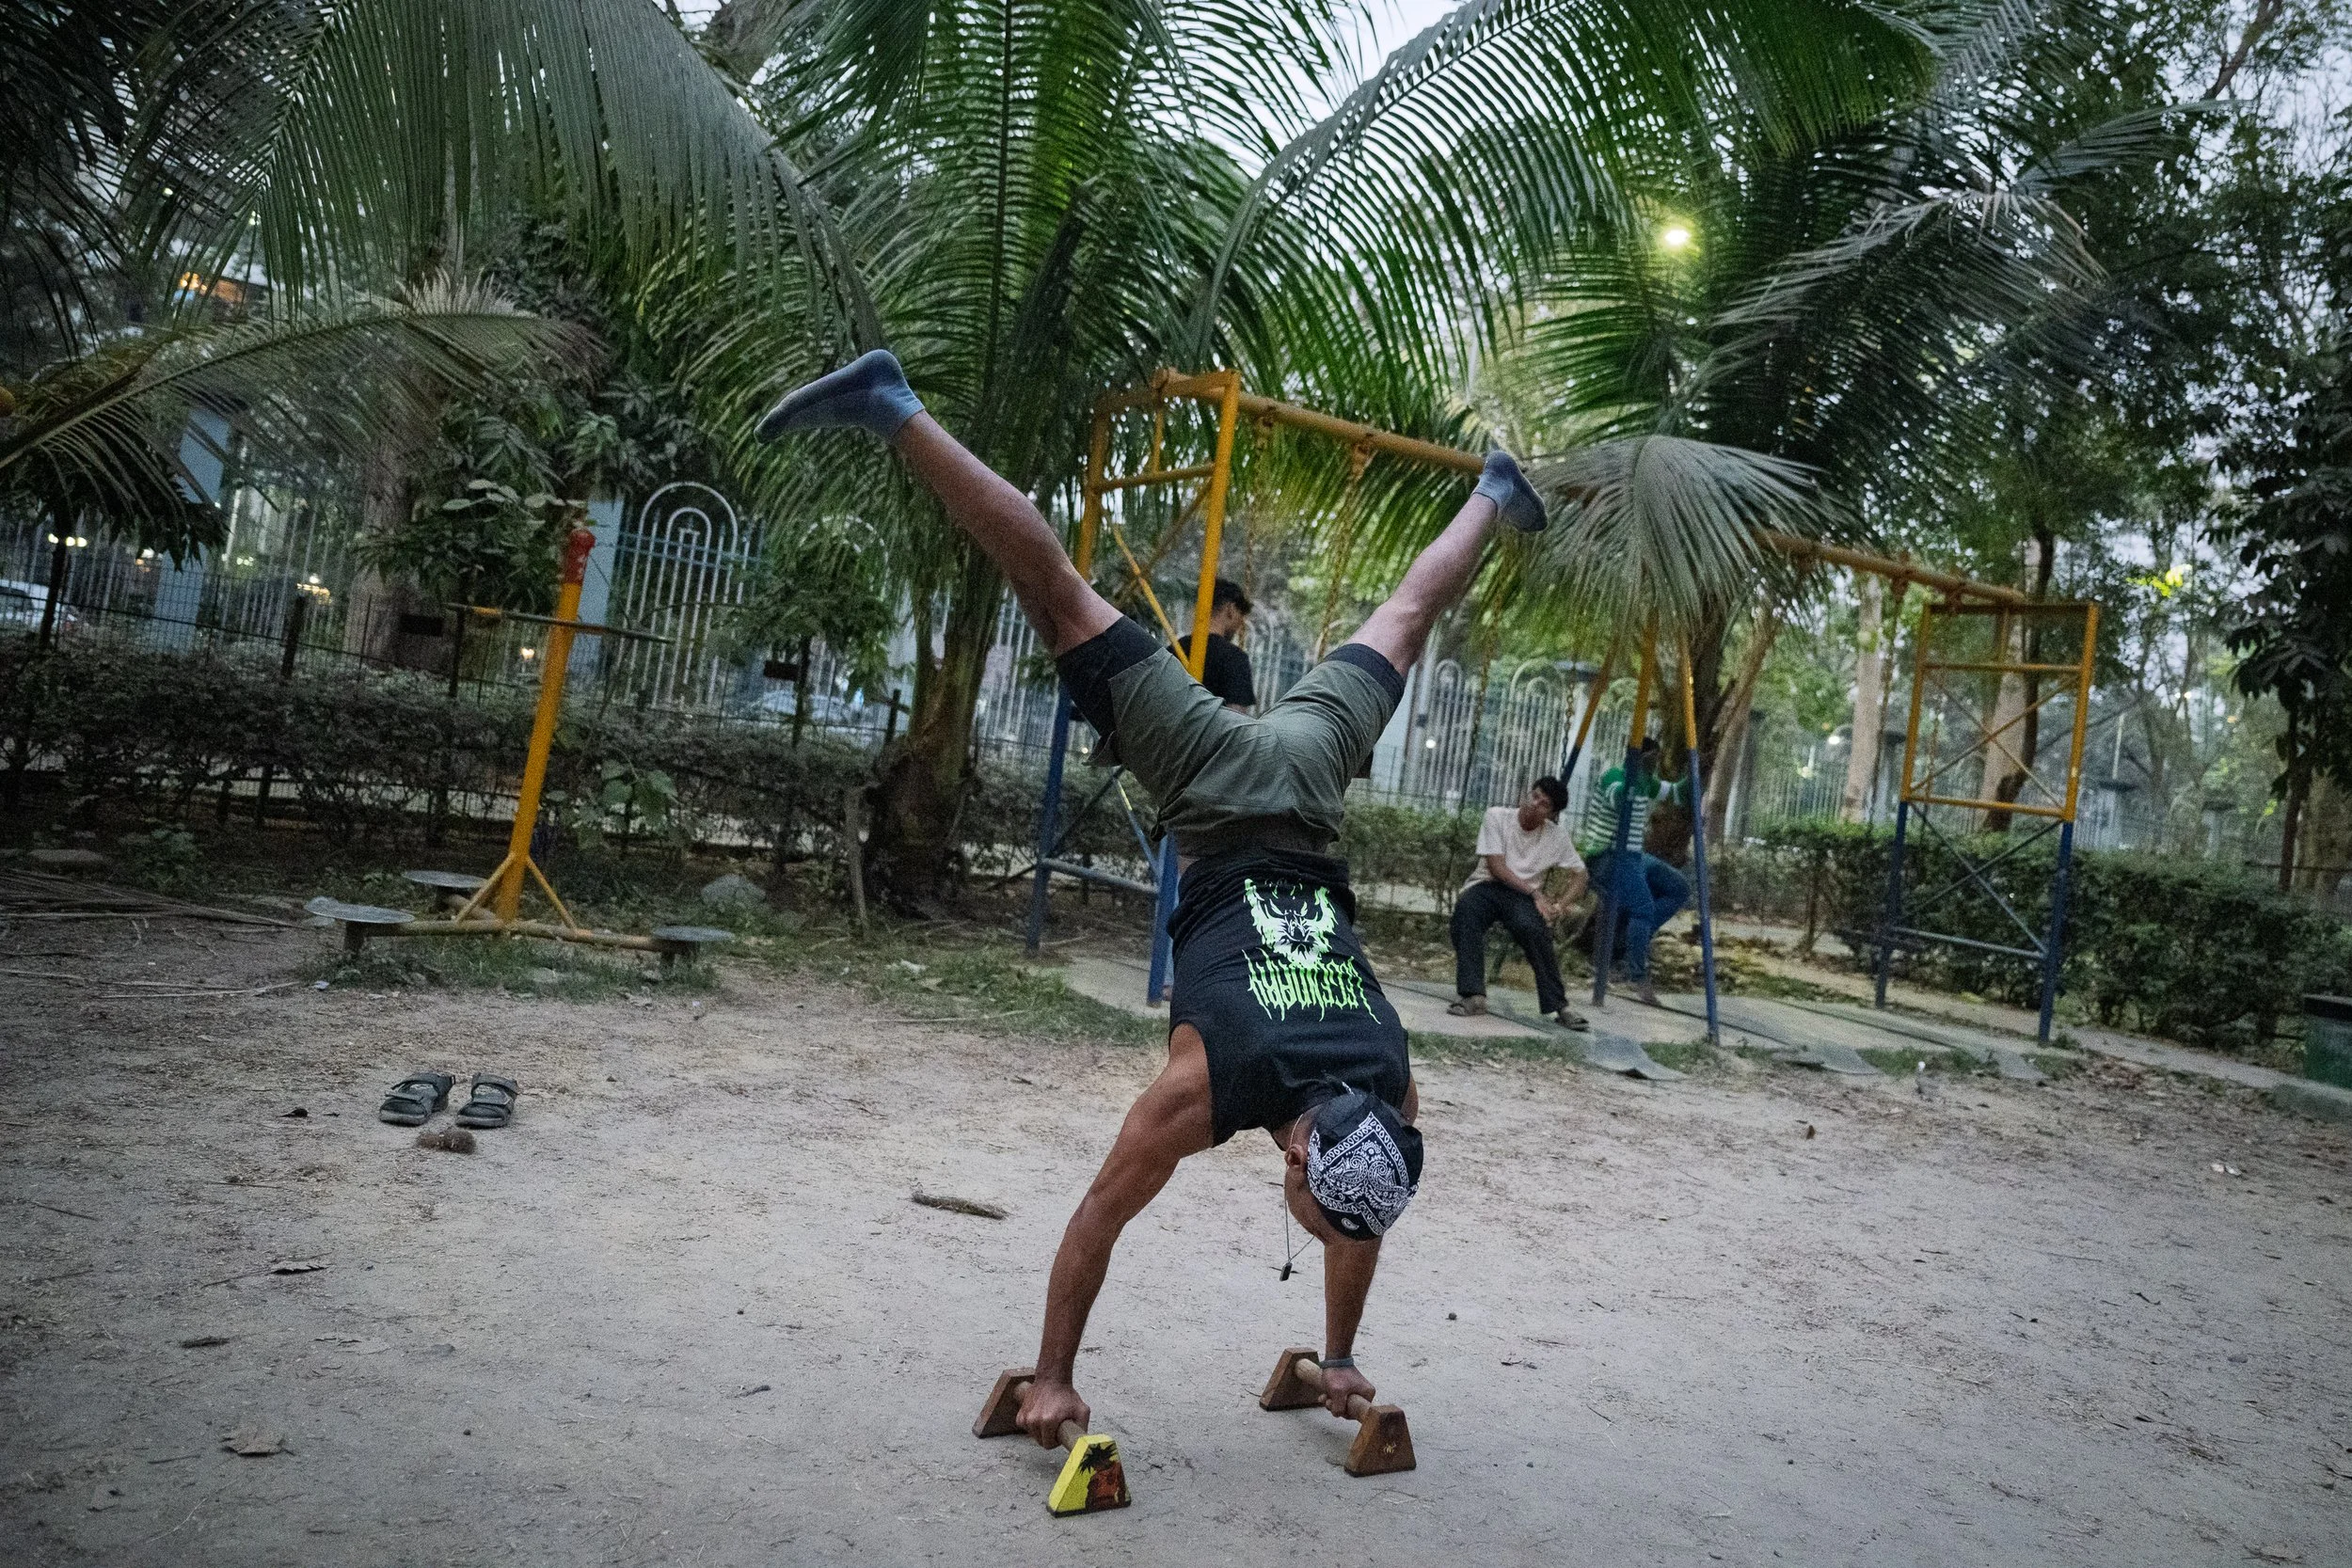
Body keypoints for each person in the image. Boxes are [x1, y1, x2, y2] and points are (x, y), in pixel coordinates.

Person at [755, 348, 1549, 1449]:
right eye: (1319, 1218)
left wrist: (1345, 1355)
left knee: (1406, 616)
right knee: (1057, 593)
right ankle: (894, 407)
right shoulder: (1208, 1082)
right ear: (1289, 1157)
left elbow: (1360, 1210)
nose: (1333, 1233)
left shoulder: (1386, 1079)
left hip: (1312, 779)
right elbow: (1098, 1214)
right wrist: (1052, 1377)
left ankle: (1494, 490)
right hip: (1216, 784)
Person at [1447, 777, 1589, 1030]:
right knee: (1466, 913)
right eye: (1534, 796)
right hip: (1487, 884)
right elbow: (1497, 867)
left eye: (1544, 804)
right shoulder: (1497, 817)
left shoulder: (1556, 837)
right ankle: (1472, 995)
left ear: (1552, 814)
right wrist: (1536, 895)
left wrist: (1560, 905)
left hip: (1520, 897)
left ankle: (1560, 1006)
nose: (1535, 804)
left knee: (1534, 929)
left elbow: (1581, 875)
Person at [1579, 736, 1689, 1006]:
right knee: (1643, 908)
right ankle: (1635, 975)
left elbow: (1675, 794)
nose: (1656, 765)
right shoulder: (1613, 777)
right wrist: (1634, 776)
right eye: (1652, 759)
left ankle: (1635, 939)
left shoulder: (1644, 781)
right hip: (1606, 856)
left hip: (1633, 855)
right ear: (1640, 757)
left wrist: (1697, 772)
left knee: (1679, 888)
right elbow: (1620, 801)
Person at [1172, 577, 1257, 711]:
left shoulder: (1174, 649)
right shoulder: (1235, 659)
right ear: (1231, 609)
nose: (1241, 624)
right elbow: (1236, 719)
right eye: (1241, 615)